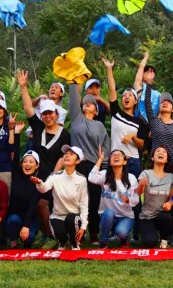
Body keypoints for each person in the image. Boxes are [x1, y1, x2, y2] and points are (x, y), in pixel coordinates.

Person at [19, 70, 71, 245]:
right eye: (45, 114)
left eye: (51, 113)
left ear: (56, 114)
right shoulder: (39, 128)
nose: (48, 116)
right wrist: (23, 86)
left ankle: (55, 235)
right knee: (34, 203)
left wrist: (54, 176)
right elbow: (27, 108)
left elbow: (63, 157)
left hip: (53, 176)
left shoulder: (64, 134)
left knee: (44, 203)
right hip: (34, 176)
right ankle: (44, 233)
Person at [68, 78, 111, 241]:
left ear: (96, 110)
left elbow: (105, 147)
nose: (87, 103)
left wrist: (104, 168)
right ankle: (76, 233)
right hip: (76, 165)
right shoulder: (76, 118)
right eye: (85, 102)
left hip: (94, 166)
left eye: (91, 103)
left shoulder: (99, 126)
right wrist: (73, 80)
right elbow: (73, 99)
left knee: (93, 202)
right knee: (75, 200)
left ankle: (93, 234)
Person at [32, 145, 90, 250]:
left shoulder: (81, 179)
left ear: (77, 161)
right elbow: (44, 188)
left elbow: (84, 203)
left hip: (75, 217)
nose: (67, 156)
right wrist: (39, 183)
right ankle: (62, 242)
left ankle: (74, 243)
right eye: (66, 154)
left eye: (71, 154)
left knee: (71, 218)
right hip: (58, 215)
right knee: (55, 223)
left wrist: (83, 227)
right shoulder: (55, 176)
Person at [104, 57, 148, 186]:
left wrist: (133, 137)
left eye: (130, 95)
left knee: (133, 196)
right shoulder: (116, 113)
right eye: (124, 96)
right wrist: (109, 69)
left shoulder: (140, 122)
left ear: (135, 101)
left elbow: (142, 145)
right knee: (113, 192)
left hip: (133, 161)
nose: (126, 97)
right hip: (115, 159)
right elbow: (112, 90)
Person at [87, 146, 140, 247]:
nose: (116, 156)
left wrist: (128, 200)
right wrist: (100, 160)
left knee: (121, 232)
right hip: (109, 216)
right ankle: (103, 242)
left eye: (119, 155)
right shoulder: (104, 175)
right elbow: (91, 178)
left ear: (124, 162)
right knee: (108, 213)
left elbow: (136, 199)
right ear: (110, 162)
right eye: (113, 155)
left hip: (126, 216)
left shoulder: (131, 178)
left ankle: (123, 239)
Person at [137, 146, 173, 249]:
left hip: (162, 215)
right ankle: (151, 235)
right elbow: (138, 193)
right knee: (149, 242)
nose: (161, 153)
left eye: (164, 152)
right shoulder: (145, 173)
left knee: (168, 217)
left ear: (167, 159)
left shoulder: (171, 177)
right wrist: (141, 184)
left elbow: (171, 197)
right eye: (158, 151)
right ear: (152, 158)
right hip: (147, 216)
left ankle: (164, 240)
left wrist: (170, 203)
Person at [6, 148, 42, 249]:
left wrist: (26, 225)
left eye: (31, 162)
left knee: (28, 240)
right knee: (13, 220)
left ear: (37, 165)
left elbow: (33, 205)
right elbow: (16, 155)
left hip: (31, 218)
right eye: (25, 161)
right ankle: (13, 240)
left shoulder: (38, 182)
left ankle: (27, 239)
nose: (27, 164)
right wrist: (16, 133)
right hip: (15, 217)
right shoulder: (16, 175)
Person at [146, 92, 173, 170]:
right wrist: (149, 85)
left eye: (168, 102)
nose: (165, 103)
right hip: (156, 162)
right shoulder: (154, 122)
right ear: (159, 108)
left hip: (172, 163)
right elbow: (147, 104)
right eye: (163, 102)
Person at [133, 51, 163, 122]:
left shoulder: (158, 95)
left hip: (152, 127)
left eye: (152, 72)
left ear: (154, 80)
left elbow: (161, 112)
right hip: (138, 124)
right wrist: (146, 57)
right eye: (147, 71)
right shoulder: (139, 88)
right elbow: (141, 68)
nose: (150, 73)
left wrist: (156, 127)